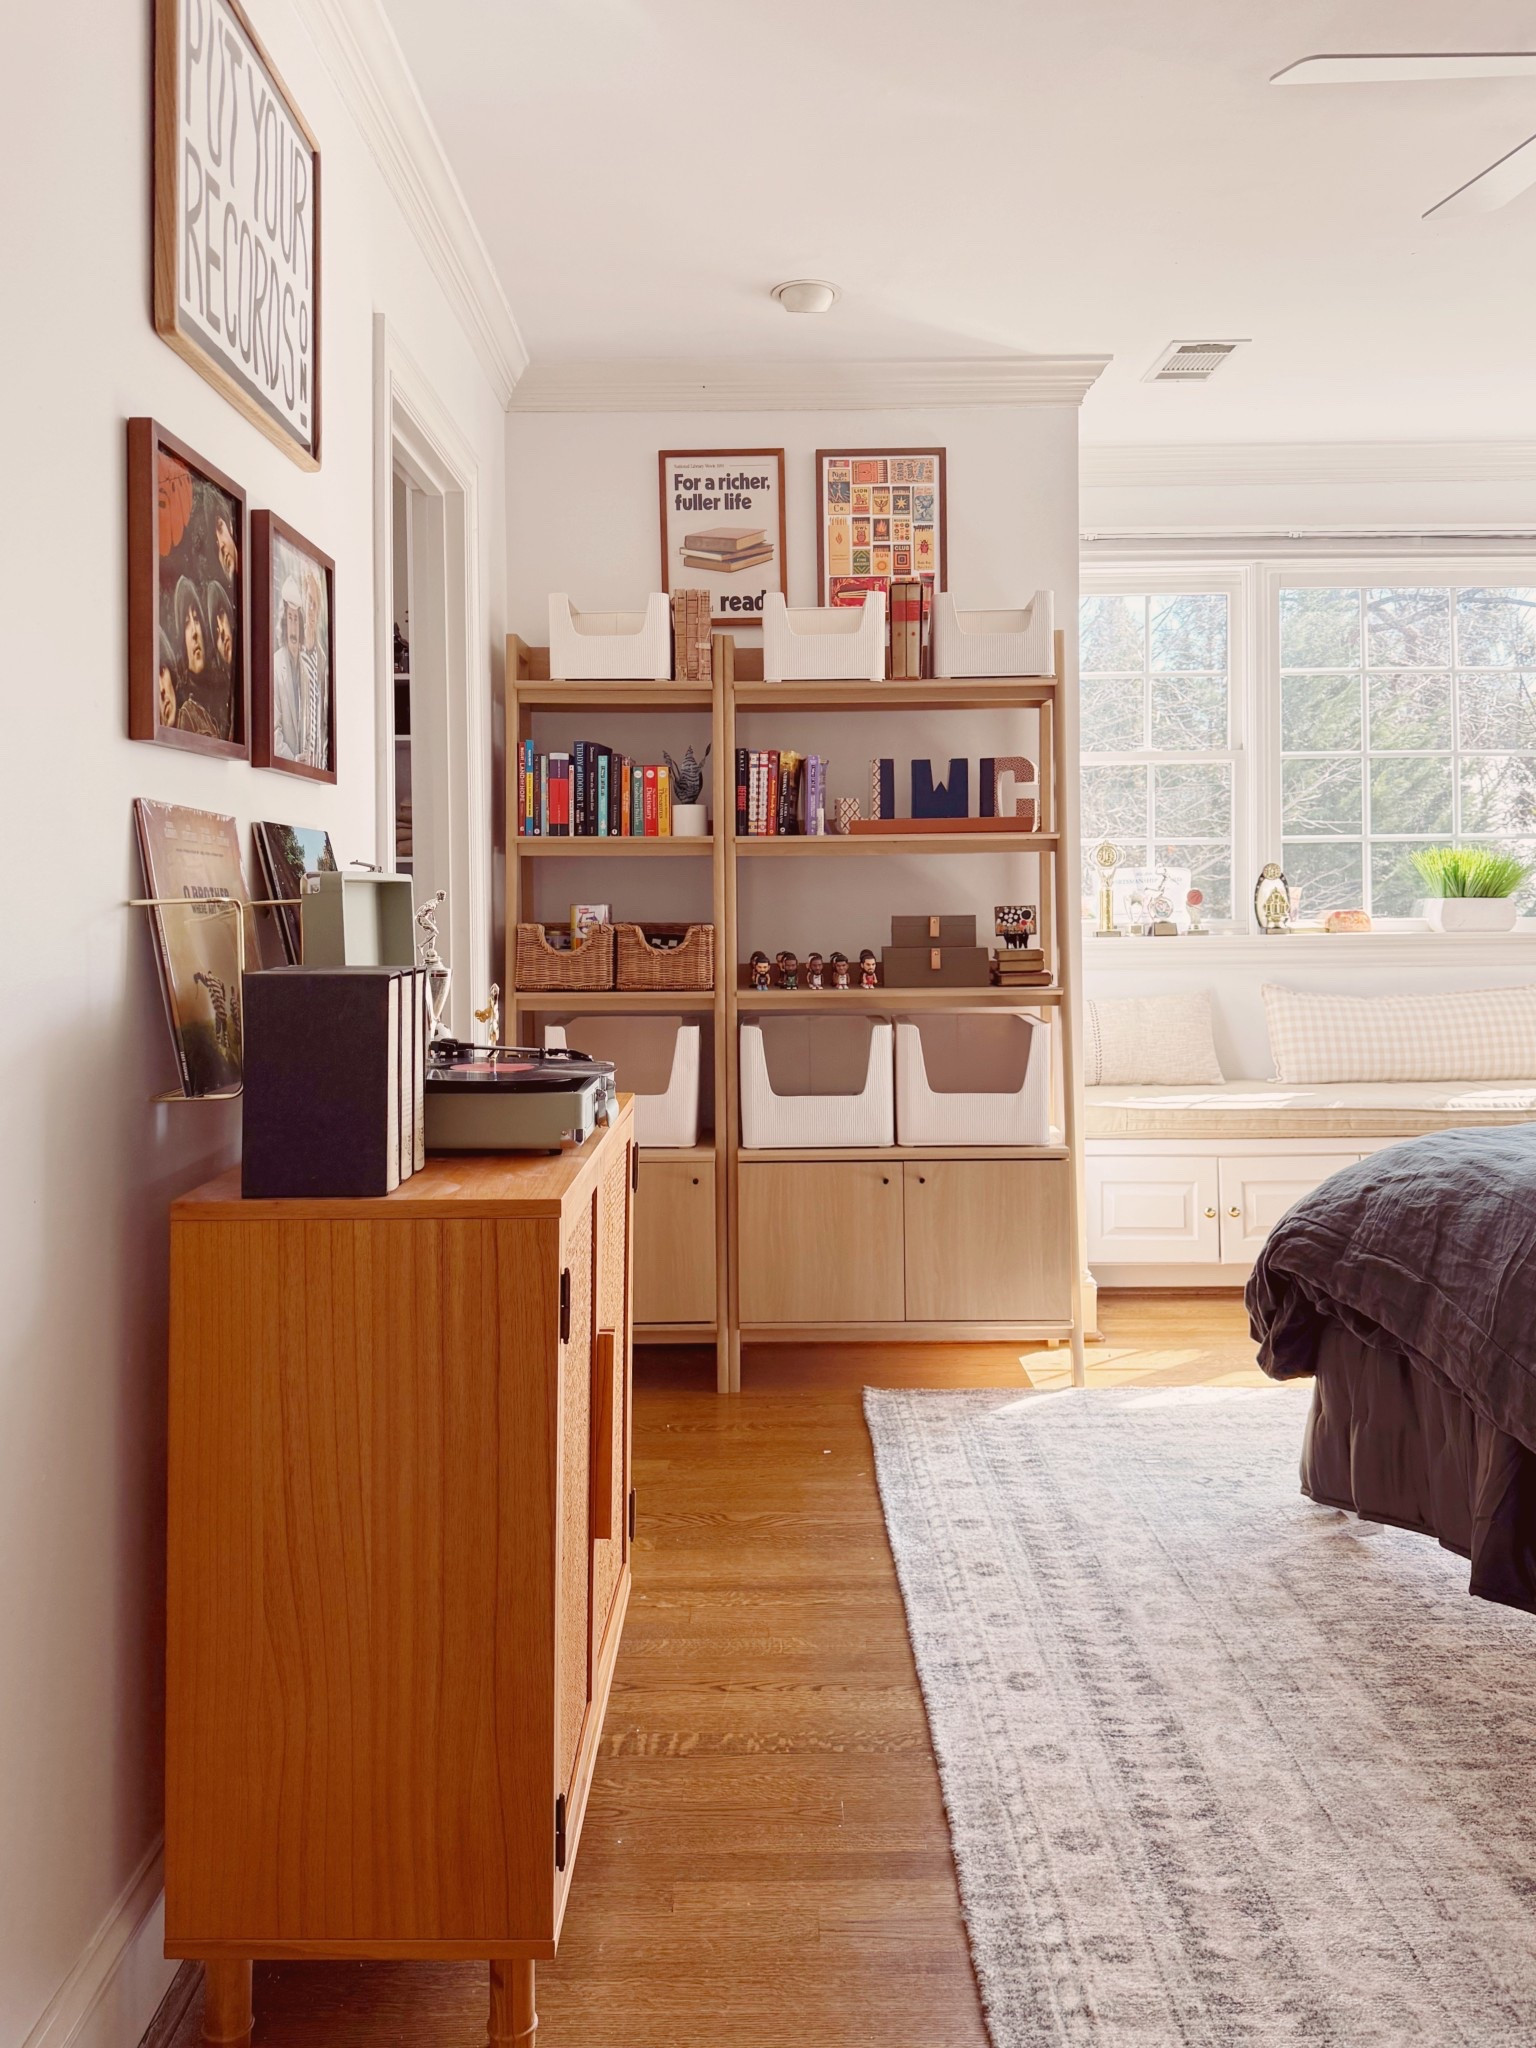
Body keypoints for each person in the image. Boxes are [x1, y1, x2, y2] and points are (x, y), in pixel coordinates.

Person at [272, 573, 309, 762]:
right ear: (284, 623)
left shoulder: (305, 670)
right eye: (290, 618)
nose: (293, 627)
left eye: (296, 619)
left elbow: (309, 728)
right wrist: (293, 760)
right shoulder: (276, 667)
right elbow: (273, 731)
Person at [300, 565, 327, 770]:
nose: (311, 610)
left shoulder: (323, 660)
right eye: (308, 601)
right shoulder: (290, 656)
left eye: (315, 605)